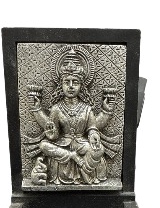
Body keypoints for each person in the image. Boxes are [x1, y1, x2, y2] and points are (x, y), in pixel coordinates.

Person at [26, 49, 117, 185]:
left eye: (75, 82)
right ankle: (73, 158)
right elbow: (54, 135)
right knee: (43, 145)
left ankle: (86, 169)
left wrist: (94, 134)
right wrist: (51, 132)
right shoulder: (56, 109)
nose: (70, 86)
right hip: (62, 144)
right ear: (61, 85)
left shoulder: (86, 108)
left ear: (81, 86)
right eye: (66, 82)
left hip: (81, 143)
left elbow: (92, 127)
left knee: (99, 149)